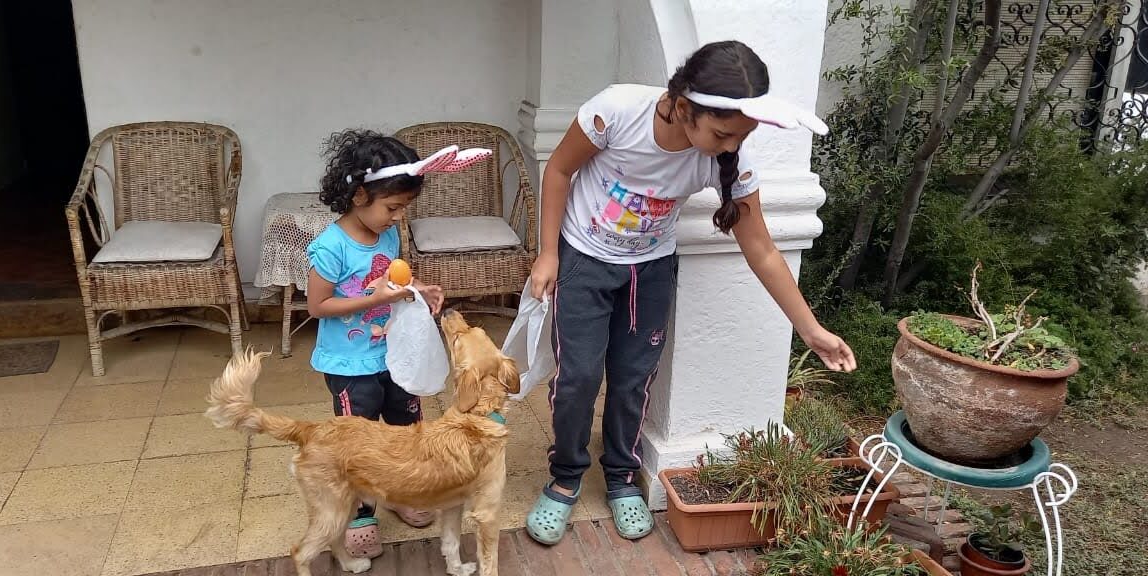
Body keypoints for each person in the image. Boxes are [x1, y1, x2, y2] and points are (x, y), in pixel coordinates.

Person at [523, 40, 858, 545]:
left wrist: (810, 330)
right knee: (578, 377)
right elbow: (560, 171)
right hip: (584, 261)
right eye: (723, 133)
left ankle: (620, 479)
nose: (730, 146)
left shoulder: (730, 160)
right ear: (683, 108)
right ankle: (566, 477)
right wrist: (548, 253)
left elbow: (763, 249)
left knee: (634, 378)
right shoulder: (615, 111)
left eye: (740, 136)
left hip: (649, 271)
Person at [305, 130, 446, 559]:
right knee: (359, 441)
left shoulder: (386, 236)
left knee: (406, 427)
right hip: (350, 365)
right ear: (360, 194)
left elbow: (395, 281)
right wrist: (378, 298)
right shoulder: (330, 247)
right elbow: (318, 305)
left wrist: (419, 288)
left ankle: (402, 492)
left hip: (394, 353)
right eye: (393, 207)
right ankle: (362, 513)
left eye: (404, 208)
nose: (398, 218)